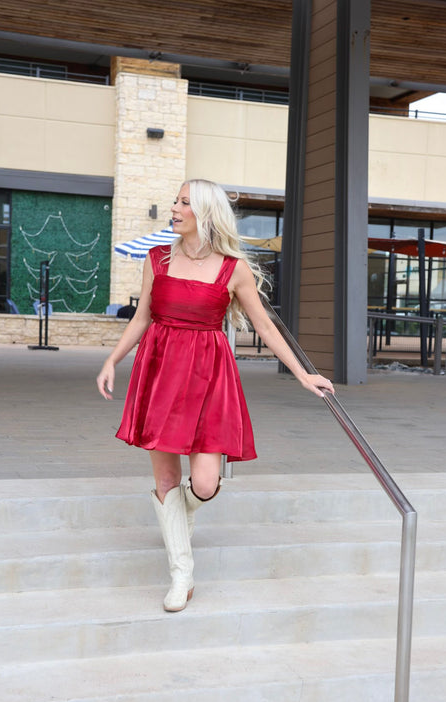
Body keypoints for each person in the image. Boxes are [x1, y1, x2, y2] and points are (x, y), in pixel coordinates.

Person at [97, 179, 334, 613]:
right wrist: (112, 360)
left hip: (209, 377)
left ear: (205, 212)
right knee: (166, 479)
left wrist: (303, 374)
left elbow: (264, 326)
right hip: (161, 371)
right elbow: (142, 317)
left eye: (184, 202)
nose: (174, 208)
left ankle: (175, 517)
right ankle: (181, 574)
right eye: (175, 200)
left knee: (205, 484)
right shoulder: (157, 258)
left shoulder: (233, 268)